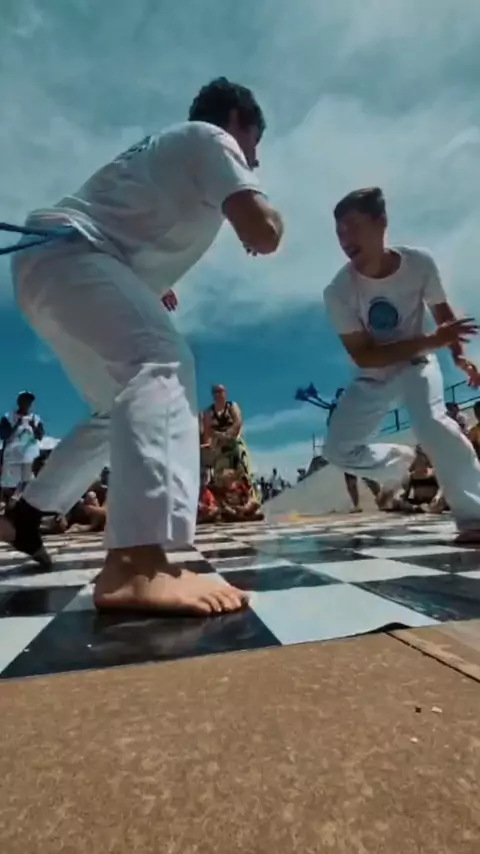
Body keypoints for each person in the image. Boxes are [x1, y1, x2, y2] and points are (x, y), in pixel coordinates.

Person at [0, 77, 284, 616]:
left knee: (115, 411)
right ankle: (136, 562)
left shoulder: (169, 153)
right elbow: (263, 230)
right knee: (162, 361)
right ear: (236, 122)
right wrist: (264, 220)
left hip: (52, 266)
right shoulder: (211, 138)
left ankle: (27, 516)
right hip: (71, 254)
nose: (255, 158)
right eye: (254, 142)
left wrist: (143, 282)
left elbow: (133, 220)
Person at [322, 186, 480, 543]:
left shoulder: (419, 263)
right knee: (337, 450)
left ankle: (475, 516)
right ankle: (402, 462)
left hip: (416, 363)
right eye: (339, 232)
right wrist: (433, 340)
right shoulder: (338, 291)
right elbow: (364, 355)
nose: (345, 239)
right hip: (374, 372)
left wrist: (458, 356)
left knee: (431, 422)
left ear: (381, 223)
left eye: (353, 226)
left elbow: (442, 313)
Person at [326, 387, 380, 512]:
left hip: (358, 443)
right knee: (350, 478)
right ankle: (357, 505)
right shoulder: (336, 411)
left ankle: (380, 497)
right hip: (345, 448)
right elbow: (330, 425)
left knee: (367, 474)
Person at [0, 391, 45, 504]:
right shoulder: (8, 417)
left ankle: (17, 504)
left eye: (29, 401)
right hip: (12, 457)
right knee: (9, 484)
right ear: (19, 402)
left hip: (29, 457)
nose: (27, 403)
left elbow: (40, 436)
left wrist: (33, 427)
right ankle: (6, 505)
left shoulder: (36, 419)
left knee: (27, 482)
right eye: (25, 400)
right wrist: (17, 424)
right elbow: (4, 435)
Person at [202, 385, 253, 480]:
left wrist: (226, 435)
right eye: (216, 392)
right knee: (219, 472)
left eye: (220, 391)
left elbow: (238, 422)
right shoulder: (208, 412)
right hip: (218, 445)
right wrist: (208, 444)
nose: (218, 394)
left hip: (234, 441)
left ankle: (244, 476)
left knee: (241, 464)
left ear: (225, 393)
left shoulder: (232, 406)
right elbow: (207, 431)